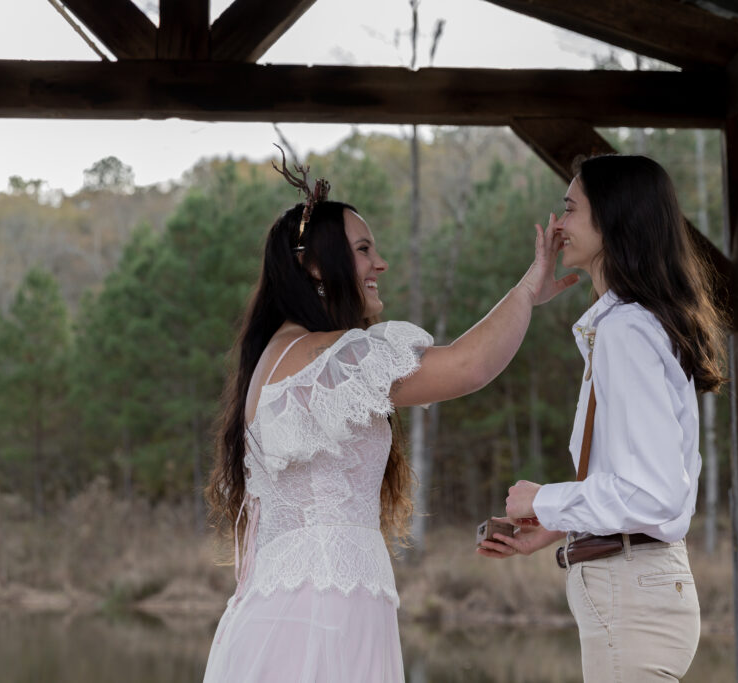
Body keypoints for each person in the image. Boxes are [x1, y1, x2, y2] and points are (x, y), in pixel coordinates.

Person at [201, 152, 579, 682]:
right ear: (314, 265)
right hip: (320, 613)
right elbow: (467, 367)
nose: (380, 264)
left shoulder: (287, 352)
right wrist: (527, 288)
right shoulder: (322, 354)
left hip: (317, 601)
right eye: (362, 250)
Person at [477, 154, 726, 682]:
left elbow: (654, 491)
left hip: (634, 596)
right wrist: (557, 524)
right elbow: (649, 484)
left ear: (612, 219)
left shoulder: (626, 331)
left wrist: (543, 499)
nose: (556, 226)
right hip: (640, 590)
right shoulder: (632, 325)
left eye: (568, 209)